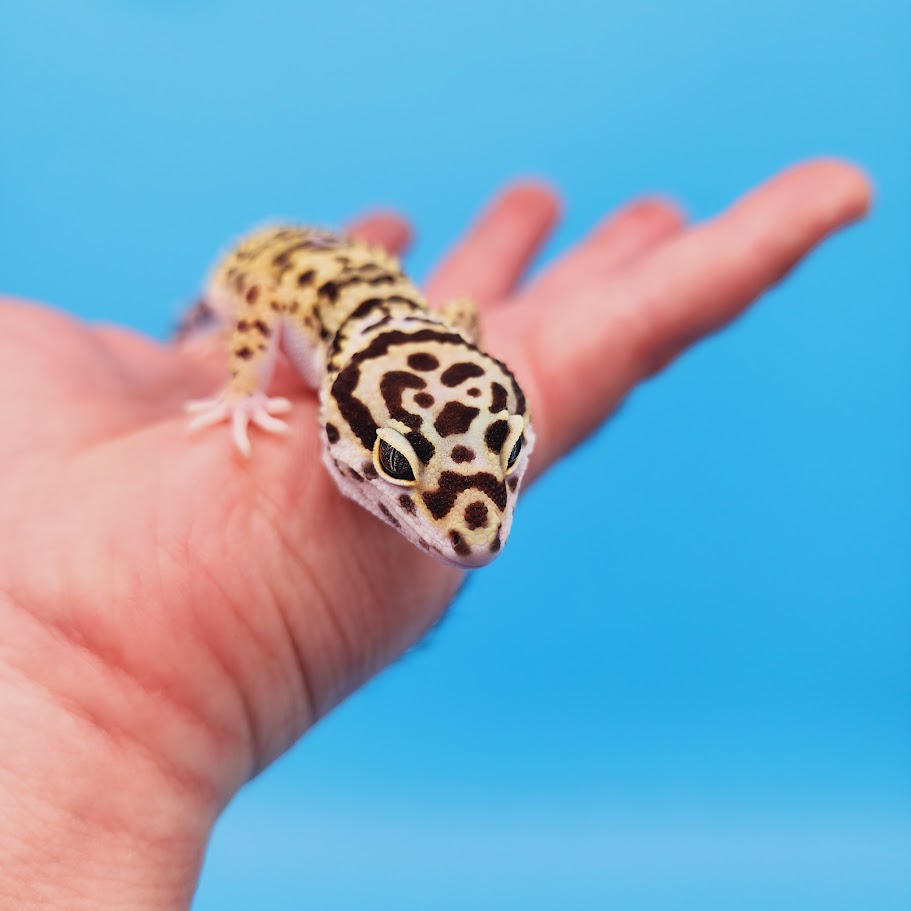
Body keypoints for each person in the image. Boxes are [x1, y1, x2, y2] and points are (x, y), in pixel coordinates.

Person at [0, 160, 869, 907]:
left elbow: (460, 332)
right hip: (269, 260)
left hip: (383, 309)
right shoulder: (319, 353)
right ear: (341, 426)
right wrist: (240, 386)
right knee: (219, 307)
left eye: (500, 465)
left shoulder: (442, 346)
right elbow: (260, 302)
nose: (479, 531)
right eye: (402, 477)